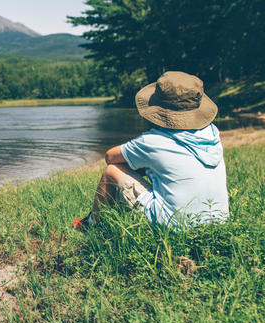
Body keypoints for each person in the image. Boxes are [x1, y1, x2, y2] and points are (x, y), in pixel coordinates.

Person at [74, 71, 229, 230]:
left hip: (175, 226)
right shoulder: (212, 133)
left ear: (159, 107)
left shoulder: (154, 141)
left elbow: (110, 157)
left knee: (112, 170)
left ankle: (92, 225)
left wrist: (145, 166)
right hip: (218, 221)